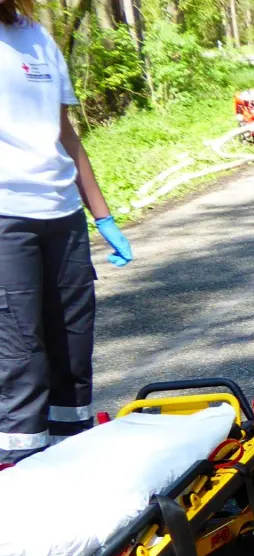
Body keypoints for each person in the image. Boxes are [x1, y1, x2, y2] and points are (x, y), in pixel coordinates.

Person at [1, 0, 132, 465]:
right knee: (22, 361)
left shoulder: (36, 36)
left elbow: (65, 133)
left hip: (62, 213)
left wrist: (103, 216)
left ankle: (72, 462)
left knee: (73, 354)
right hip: (5, 220)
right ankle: (17, 478)